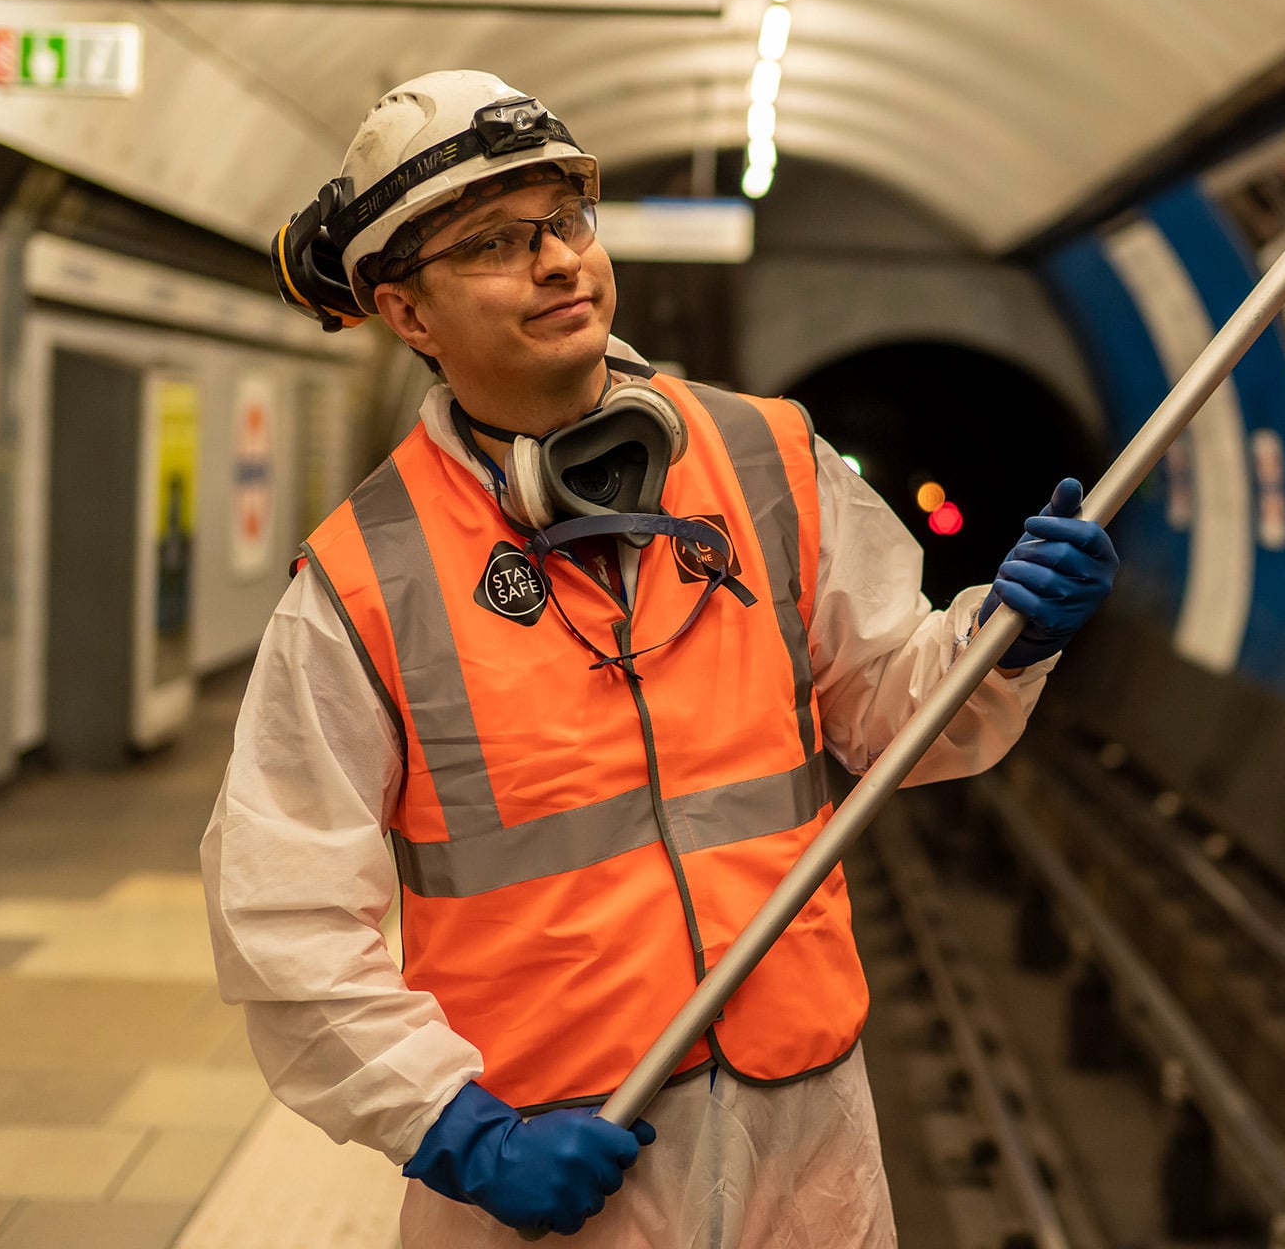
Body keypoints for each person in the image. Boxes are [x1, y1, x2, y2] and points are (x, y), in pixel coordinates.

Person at [201, 71, 1117, 1246]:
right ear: (407, 314)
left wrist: (1000, 637)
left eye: (566, 221)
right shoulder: (364, 576)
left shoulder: (768, 458)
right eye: (493, 243)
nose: (556, 262)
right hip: (550, 1161)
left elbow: (893, 719)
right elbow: (282, 913)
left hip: (809, 1134)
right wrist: (451, 1126)